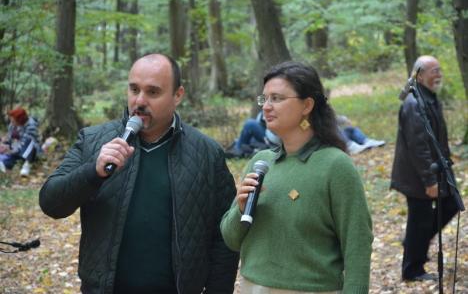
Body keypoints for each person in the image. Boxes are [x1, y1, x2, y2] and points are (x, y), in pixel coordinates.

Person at [39, 54, 239, 293]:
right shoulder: (93, 141)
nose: (139, 101)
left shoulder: (208, 153)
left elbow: (225, 238)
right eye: (134, 89)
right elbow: (51, 203)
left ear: (178, 95)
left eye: (153, 92)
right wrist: (92, 171)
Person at [221, 61, 373, 293]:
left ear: (307, 105)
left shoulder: (335, 165)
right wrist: (240, 209)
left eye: (277, 98)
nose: (266, 107)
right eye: (264, 99)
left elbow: (357, 243)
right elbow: (231, 239)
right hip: (253, 287)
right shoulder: (260, 162)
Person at [391, 55, 460, 282]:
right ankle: (412, 270)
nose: (438, 74)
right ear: (419, 75)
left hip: (434, 171)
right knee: (419, 220)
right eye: (434, 71)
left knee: (450, 204)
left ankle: (414, 243)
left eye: (439, 70)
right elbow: (418, 147)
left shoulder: (428, 97)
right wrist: (429, 181)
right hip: (417, 176)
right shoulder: (414, 103)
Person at [0, 107, 41, 176]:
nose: (12, 122)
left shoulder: (31, 126)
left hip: (29, 151)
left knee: (29, 142)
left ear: (20, 120)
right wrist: (5, 143)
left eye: (13, 120)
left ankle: (26, 164)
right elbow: (10, 138)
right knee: (7, 159)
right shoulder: (13, 125)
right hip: (15, 150)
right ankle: (6, 164)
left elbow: (25, 142)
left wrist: (11, 151)